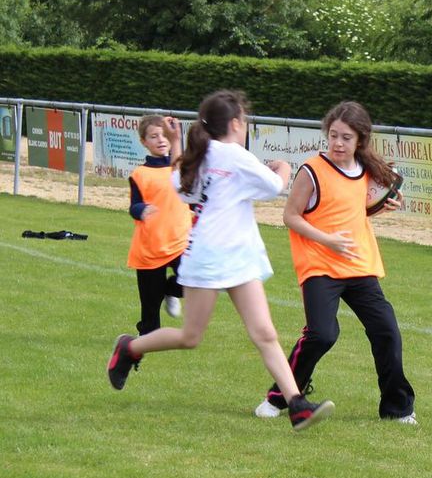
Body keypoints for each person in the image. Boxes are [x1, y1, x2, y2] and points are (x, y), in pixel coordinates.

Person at [107, 90, 334, 431]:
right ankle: (129, 348)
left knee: (264, 332)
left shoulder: (204, 155)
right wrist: (284, 167)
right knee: (190, 336)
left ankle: (296, 404)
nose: (245, 126)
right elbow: (274, 186)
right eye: (244, 120)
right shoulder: (230, 154)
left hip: (237, 257)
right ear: (235, 123)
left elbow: (183, 189)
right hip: (210, 258)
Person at [254, 100, 417, 425]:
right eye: (333, 136)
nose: (338, 143)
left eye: (346, 137)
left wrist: (378, 209)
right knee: (322, 334)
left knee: (387, 331)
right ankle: (278, 397)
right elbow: (290, 216)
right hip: (319, 265)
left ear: (360, 140)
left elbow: (350, 212)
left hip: (358, 264)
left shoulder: (365, 170)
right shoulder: (312, 170)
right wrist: (327, 240)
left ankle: (398, 409)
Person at [126, 115, 191, 334]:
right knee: (150, 314)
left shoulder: (180, 167)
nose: (160, 140)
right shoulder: (140, 174)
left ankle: (170, 290)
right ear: (144, 142)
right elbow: (133, 206)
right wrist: (141, 210)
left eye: (164, 135)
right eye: (154, 136)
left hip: (180, 242)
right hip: (150, 249)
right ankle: (141, 346)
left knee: (193, 283)